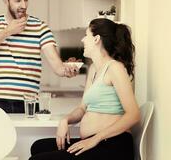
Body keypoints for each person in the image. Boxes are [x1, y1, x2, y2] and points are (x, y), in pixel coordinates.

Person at [29, 18, 141, 160]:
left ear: (96, 39)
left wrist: (95, 139)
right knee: (38, 147)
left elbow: (134, 114)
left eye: (86, 35)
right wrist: (65, 120)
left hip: (112, 145)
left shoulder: (115, 68)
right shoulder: (94, 69)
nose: (82, 40)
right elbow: (82, 108)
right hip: (95, 142)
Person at [0, 0, 78, 113]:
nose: (23, 5)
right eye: (17, 0)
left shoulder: (40, 26)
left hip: (29, 103)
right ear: (6, 1)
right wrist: (7, 31)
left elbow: (57, 66)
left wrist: (67, 70)